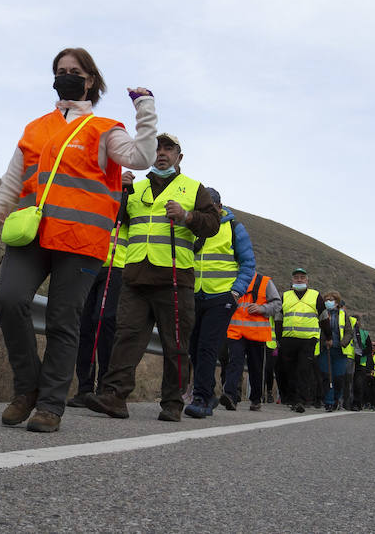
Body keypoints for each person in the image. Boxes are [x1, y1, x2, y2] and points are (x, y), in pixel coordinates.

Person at [0, 48, 155, 433]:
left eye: (75, 71)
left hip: (81, 241)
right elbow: (10, 185)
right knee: (9, 297)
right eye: (60, 71)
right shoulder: (36, 128)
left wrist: (145, 110)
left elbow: (141, 158)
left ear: (90, 80)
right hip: (32, 235)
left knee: (62, 321)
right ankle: (28, 389)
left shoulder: (106, 128)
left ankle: (50, 405)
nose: (66, 76)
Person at [84, 134, 217, 422]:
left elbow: (213, 225)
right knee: (126, 337)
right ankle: (115, 396)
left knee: (176, 344)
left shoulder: (194, 188)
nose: (161, 153)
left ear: (179, 157)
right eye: (157, 147)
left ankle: (172, 403)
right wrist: (118, 193)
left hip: (174, 278)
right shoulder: (136, 187)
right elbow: (115, 220)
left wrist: (187, 216)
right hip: (135, 276)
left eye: (168, 148)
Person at [183, 191, 256, 417]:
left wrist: (235, 292)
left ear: (219, 206)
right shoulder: (194, 226)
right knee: (193, 347)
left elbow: (248, 263)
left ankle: (202, 397)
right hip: (194, 295)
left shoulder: (234, 228)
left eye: (210, 206)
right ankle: (209, 393)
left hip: (221, 297)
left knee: (207, 346)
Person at [67, 170, 132, 408]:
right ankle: (84, 388)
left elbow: (125, 217)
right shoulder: (92, 187)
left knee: (104, 322)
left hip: (116, 266)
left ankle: (106, 387)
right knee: (84, 326)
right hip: (87, 262)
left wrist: (123, 188)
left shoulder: (127, 190)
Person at [220, 268, 281, 412]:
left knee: (256, 367)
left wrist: (262, 308)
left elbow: (277, 304)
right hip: (235, 332)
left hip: (256, 333)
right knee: (234, 363)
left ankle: (255, 399)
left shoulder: (265, 282)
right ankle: (230, 395)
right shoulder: (231, 279)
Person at [277, 266, 321, 414]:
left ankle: (301, 400)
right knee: (289, 371)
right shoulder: (285, 295)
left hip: (308, 340)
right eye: (296, 277)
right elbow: (279, 317)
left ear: (307, 280)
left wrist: (326, 335)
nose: (299, 279)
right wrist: (279, 337)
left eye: (302, 277)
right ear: (292, 280)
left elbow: (324, 317)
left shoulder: (315, 295)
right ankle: (291, 399)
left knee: (303, 370)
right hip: (288, 339)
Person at [317, 290, 353, 411]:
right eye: (326, 300)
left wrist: (343, 343)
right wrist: (324, 341)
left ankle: (337, 398)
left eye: (331, 300)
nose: (328, 302)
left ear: (337, 302)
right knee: (327, 376)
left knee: (338, 378)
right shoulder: (320, 314)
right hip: (324, 349)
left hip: (340, 351)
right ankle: (329, 402)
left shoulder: (343, 315)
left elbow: (349, 332)